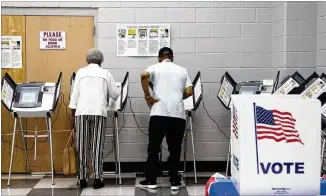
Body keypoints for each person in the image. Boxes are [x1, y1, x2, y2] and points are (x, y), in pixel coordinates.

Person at [138, 47, 193, 191]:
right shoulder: (182, 70)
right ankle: (175, 181)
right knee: (175, 149)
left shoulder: (155, 67)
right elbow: (189, 90)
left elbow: (144, 75)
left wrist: (147, 96)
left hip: (158, 113)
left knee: (154, 148)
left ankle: (151, 180)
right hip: (177, 115)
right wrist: (178, 98)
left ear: (159, 57)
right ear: (172, 57)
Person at [69, 49, 119, 189]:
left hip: (82, 113)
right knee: (97, 145)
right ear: (101, 60)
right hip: (99, 112)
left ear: (87, 60)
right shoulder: (105, 73)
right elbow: (115, 94)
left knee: (82, 146)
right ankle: (97, 178)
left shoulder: (80, 72)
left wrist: (72, 116)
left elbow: (74, 96)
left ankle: (83, 178)